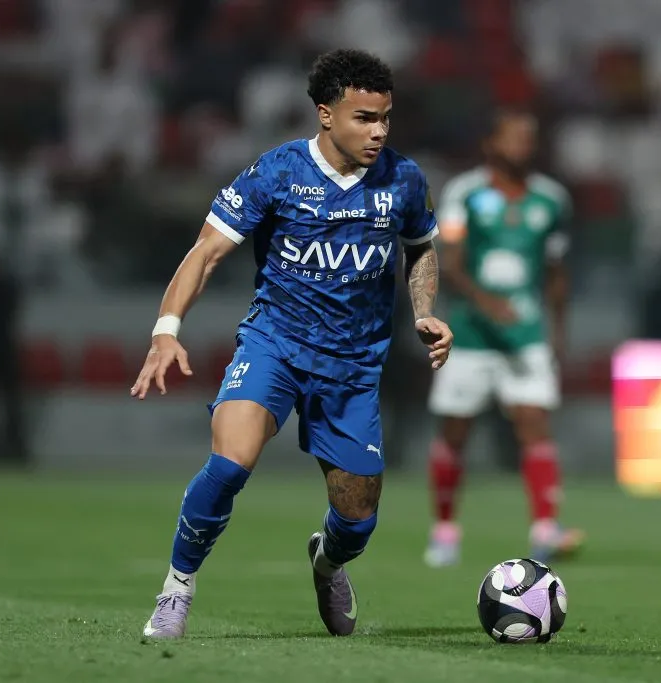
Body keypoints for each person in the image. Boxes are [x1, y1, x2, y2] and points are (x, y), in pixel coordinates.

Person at [131, 49, 453, 639]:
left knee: (357, 523)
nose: (379, 131)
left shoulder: (403, 179)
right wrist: (165, 329)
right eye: (364, 118)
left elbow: (422, 247)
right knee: (229, 465)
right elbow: (206, 252)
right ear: (326, 115)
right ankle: (175, 591)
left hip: (354, 365)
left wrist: (425, 312)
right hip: (274, 344)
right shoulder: (276, 173)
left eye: (385, 118)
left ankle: (327, 563)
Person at [423, 108, 582, 568]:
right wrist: (485, 301)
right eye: (512, 139)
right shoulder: (465, 194)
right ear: (491, 144)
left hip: (525, 333)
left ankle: (546, 528)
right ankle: (446, 529)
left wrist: (557, 330)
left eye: (528, 138)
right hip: (469, 336)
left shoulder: (552, 200)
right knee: (455, 430)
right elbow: (448, 261)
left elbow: (555, 270)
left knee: (534, 424)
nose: (522, 147)